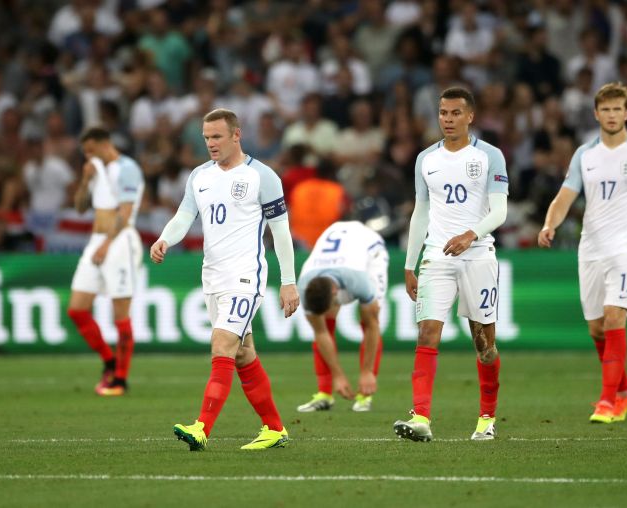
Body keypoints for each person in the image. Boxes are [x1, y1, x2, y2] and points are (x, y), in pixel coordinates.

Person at [150, 108, 299, 451]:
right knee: (243, 353)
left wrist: (288, 281)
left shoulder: (262, 176)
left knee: (221, 345)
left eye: (217, 136)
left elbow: (282, 233)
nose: (210, 144)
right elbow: (184, 215)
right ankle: (275, 429)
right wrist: (164, 239)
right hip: (213, 277)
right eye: (206, 138)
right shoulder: (199, 176)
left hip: (246, 276)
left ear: (236, 135)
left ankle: (201, 427)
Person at [538, 82, 627, 424]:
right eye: (607, 109)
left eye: (618, 109)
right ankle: (625, 391)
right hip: (591, 247)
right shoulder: (585, 155)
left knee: (615, 316)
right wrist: (549, 224)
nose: (612, 115)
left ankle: (607, 402)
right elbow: (564, 198)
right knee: (597, 328)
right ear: (596, 114)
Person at [395, 87, 509, 442]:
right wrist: (410, 263)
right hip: (437, 257)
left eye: (456, 113)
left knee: (484, 345)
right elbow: (421, 212)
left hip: (477, 256)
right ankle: (421, 418)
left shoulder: (490, 156)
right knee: (428, 332)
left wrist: (470, 235)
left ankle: (487, 418)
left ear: (470, 116)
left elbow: (500, 211)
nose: (448, 119)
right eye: (443, 113)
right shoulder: (426, 159)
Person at [68, 127, 145, 397]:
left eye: (91, 150)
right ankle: (109, 361)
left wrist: (107, 243)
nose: (89, 156)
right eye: (85, 152)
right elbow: (79, 208)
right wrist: (85, 180)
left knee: (120, 313)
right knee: (77, 309)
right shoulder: (96, 171)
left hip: (120, 242)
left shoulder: (127, 168)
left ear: (105, 144)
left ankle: (120, 380)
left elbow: (124, 212)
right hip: (97, 240)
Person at [295, 221, 388, 413]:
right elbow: (320, 332)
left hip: (371, 251)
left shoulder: (359, 281)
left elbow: (372, 327)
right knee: (323, 326)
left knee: (369, 318)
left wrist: (366, 372)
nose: (335, 308)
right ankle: (324, 394)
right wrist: (338, 375)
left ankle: (365, 395)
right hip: (336, 245)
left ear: (336, 292)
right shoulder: (304, 286)